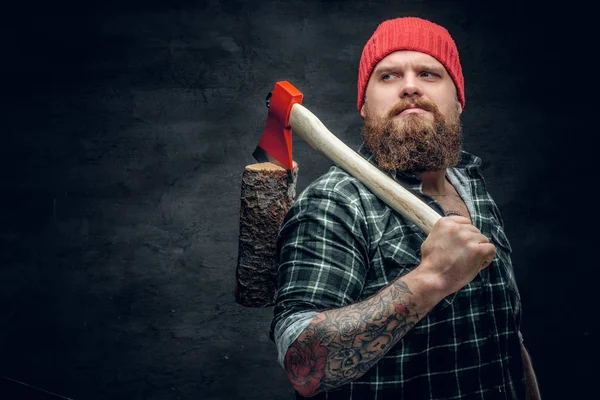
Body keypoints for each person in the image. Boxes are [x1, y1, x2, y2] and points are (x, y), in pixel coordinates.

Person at [269, 16, 541, 400]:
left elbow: (504, 332)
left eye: (429, 73)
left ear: (459, 100)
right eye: (389, 76)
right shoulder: (335, 202)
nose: (410, 86)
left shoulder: (471, 185)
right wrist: (429, 279)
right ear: (364, 106)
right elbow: (301, 366)